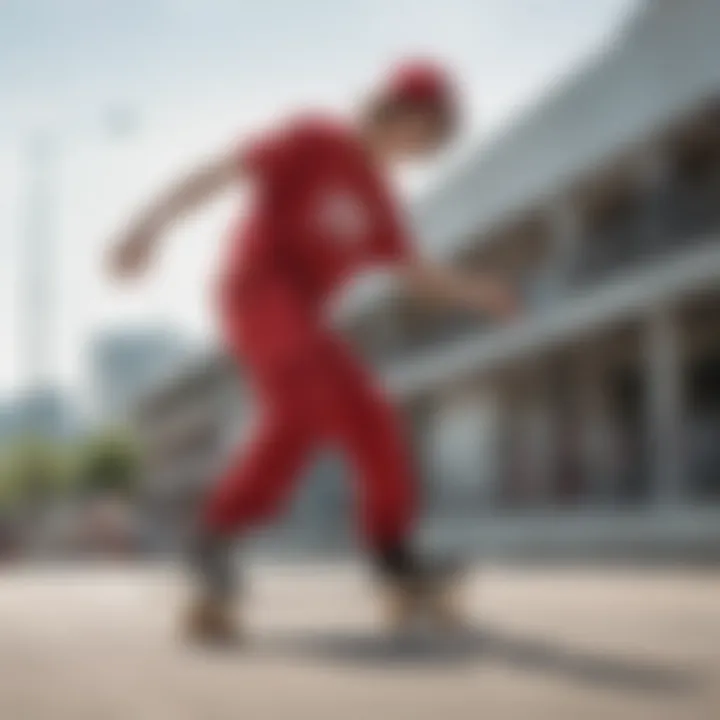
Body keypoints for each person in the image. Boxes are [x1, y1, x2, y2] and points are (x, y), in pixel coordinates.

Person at [108, 59, 518, 644]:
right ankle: (214, 537)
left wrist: (477, 291)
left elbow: (411, 270)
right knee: (300, 405)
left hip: (306, 318)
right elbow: (221, 172)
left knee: (371, 418)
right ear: (389, 109)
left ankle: (393, 557)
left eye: (430, 144)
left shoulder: (380, 201)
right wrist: (147, 224)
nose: (416, 149)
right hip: (256, 291)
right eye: (418, 131)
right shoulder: (311, 139)